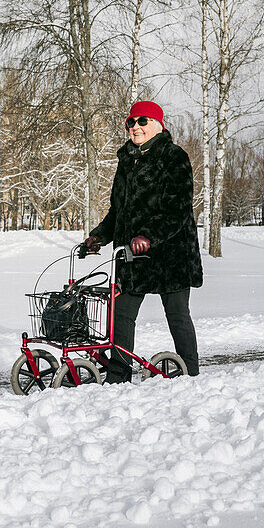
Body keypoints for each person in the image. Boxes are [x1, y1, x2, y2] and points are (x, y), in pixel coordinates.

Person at [83, 100, 203, 382]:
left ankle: (190, 372)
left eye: (142, 121)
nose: (135, 127)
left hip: (171, 253)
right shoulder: (126, 161)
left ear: (158, 125)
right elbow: (118, 211)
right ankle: (118, 374)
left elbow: (177, 208)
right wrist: (99, 235)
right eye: (131, 122)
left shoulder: (174, 157)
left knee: (177, 314)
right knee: (121, 314)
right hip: (131, 255)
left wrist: (148, 236)